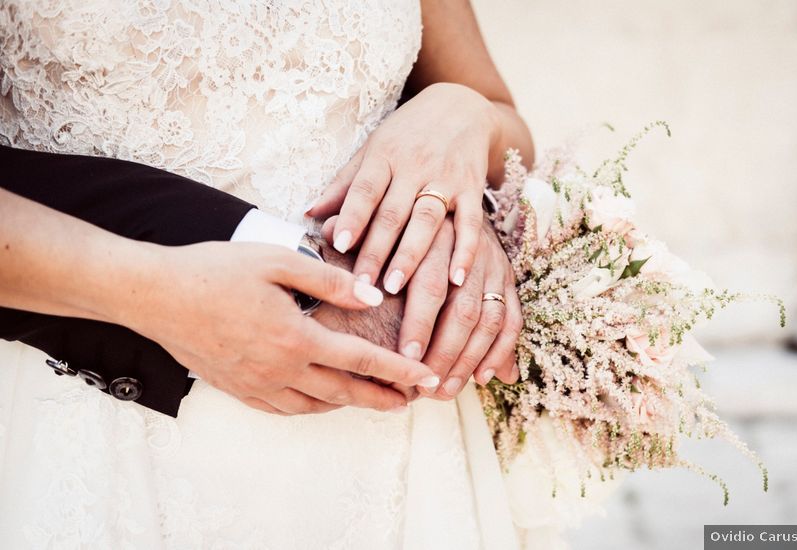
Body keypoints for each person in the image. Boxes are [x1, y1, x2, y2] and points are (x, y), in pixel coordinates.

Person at [0, 0, 539, 547]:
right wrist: (154, 290)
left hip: (397, 435)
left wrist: (465, 116)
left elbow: (506, 129)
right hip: (106, 410)